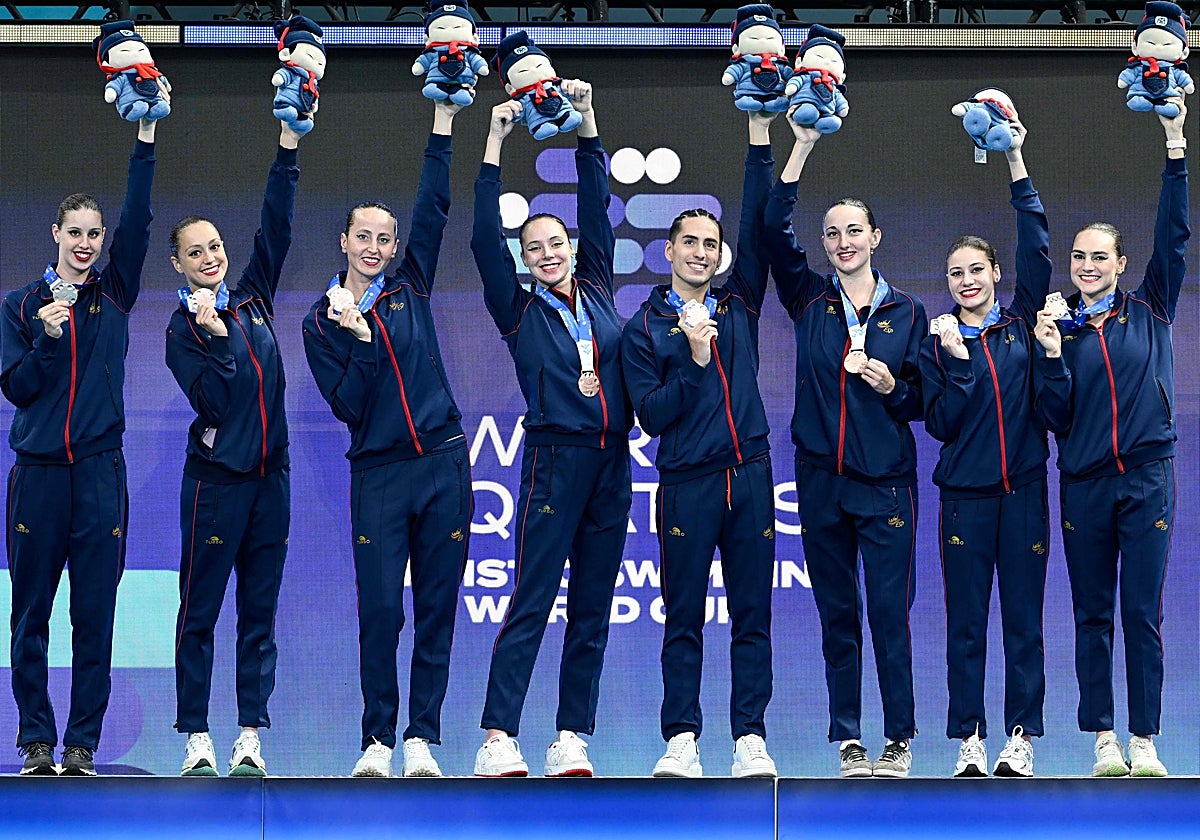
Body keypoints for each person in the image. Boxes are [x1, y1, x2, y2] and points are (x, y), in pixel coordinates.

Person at [302, 99, 471, 779]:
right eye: (362, 237)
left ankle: (422, 737)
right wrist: (361, 341)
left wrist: (442, 120)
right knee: (380, 612)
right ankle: (376, 739)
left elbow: (434, 204)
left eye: (384, 239)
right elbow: (346, 404)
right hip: (377, 474)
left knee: (436, 607)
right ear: (343, 242)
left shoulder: (411, 286)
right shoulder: (321, 322)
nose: (374, 248)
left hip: (443, 463)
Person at [468, 80, 632, 778]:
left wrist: (590, 123)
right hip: (554, 460)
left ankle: (573, 736)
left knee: (593, 607)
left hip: (613, 462)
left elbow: (597, 205)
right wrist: (496, 143)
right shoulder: (517, 308)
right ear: (525, 259)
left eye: (554, 241)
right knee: (532, 596)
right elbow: (481, 239)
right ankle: (498, 735)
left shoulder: (596, 284)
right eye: (534, 247)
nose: (547, 252)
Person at [762, 116, 926, 779]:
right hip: (821, 480)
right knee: (838, 615)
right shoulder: (808, 300)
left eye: (854, 230)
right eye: (831, 233)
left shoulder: (909, 312)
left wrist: (894, 386)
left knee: (889, 614)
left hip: (886, 481)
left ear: (876, 238)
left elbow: (925, 400)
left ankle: (901, 738)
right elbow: (774, 233)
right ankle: (849, 739)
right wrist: (800, 146)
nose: (842, 241)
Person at [621, 110, 780, 780]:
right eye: (689, 242)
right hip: (685, 484)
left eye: (710, 243)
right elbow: (650, 417)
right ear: (669, 252)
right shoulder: (644, 326)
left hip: (748, 478)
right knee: (683, 619)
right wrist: (690, 357)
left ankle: (750, 737)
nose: (701, 252)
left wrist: (758, 134)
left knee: (752, 618)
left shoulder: (739, 303)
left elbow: (760, 221)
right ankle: (682, 736)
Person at [2, 109, 160, 777]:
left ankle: (81, 745)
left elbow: (141, 217)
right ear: (55, 235)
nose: (87, 243)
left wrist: (146, 137)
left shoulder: (115, 293)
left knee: (95, 619)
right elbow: (17, 388)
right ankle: (36, 741)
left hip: (99, 476)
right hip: (37, 476)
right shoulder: (19, 304)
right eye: (76, 233)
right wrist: (46, 335)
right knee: (30, 616)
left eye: (95, 233)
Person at [918, 121, 1072, 778]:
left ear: (996, 274)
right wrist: (953, 363)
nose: (965, 280)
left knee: (1022, 622)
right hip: (965, 500)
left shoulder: (1018, 324)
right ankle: (969, 740)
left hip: (1025, 494)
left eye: (976, 269)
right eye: (955, 273)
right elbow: (943, 426)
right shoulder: (938, 340)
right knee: (965, 627)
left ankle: (1021, 736)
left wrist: (1014, 158)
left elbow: (1038, 242)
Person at [165, 117, 306, 778]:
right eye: (195, 252)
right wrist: (216, 336)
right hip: (215, 488)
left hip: (270, 485)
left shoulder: (252, 300)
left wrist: (287, 144)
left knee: (259, 614)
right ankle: (196, 733)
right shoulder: (181, 330)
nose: (210, 257)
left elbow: (274, 226)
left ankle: (250, 732)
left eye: (214, 247)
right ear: (178, 264)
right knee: (199, 613)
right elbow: (217, 404)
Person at [1054, 100, 1188, 778]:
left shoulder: (1152, 304)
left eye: (1099, 256)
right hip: (1082, 483)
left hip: (1146, 476)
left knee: (1143, 612)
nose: (1087, 265)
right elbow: (1051, 411)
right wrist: (1051, 351)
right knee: (1092, 615)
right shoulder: (1062, 329)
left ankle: (1145, 740)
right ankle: (1103, 737)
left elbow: (1175, 234)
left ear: (1122, 262)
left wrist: (1174, 149)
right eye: (1078, 257)